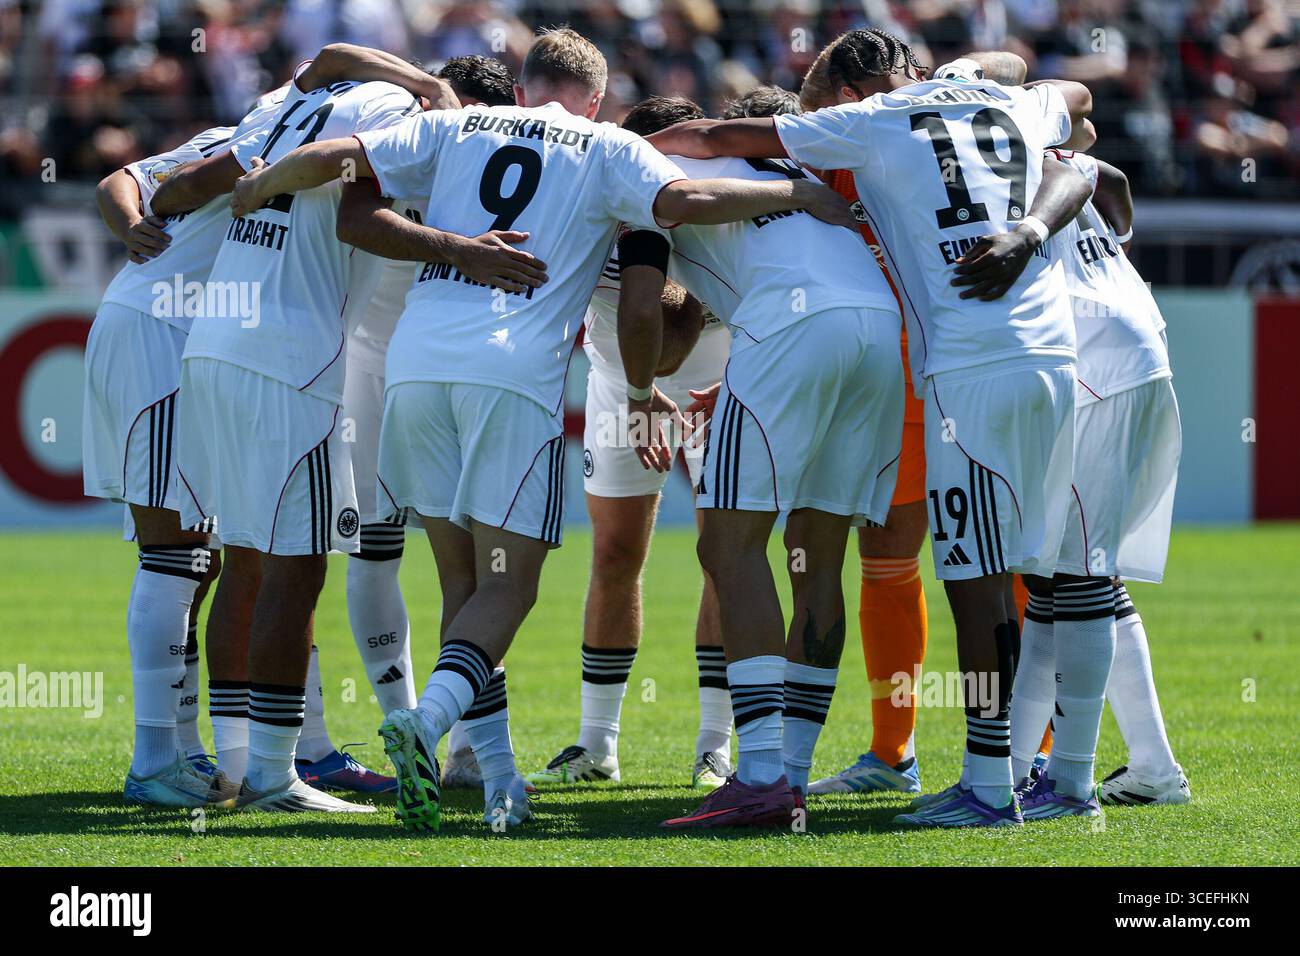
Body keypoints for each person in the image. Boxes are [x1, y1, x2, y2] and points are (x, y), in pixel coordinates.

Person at [228, 26, 856, 831]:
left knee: (462, 584)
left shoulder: (455, 125)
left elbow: (341, 174)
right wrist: (796, 193)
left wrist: (262, 181)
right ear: (596, 100)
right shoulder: (602, 145)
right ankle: (423, 724)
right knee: (510, 585)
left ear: (521, 88)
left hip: (415, 365)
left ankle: (497, 780)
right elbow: (684, 204)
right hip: (509, 377)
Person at [647, 27, 1096, 828]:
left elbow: (712, 139)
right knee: (1056, 576)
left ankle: (985, 783)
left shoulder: (874, 121)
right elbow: (1079, 121)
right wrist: (1023, 212)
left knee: (969, 579)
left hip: (961, 362)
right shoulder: (1006, 101)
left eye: (820, 111)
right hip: (1056, 352)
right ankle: (1060, 773)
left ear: (848, 96)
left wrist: (595, 148)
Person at [611, 87, 905, 829]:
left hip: (790, 326)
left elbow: (644, 308)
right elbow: (688, 313)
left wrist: (642, 392)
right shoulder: (768, 156)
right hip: (873, 325)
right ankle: (792, 773)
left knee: (727, 545)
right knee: (815, 553)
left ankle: (763, 774)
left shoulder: (647, 170)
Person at [527, 94, 733, 792]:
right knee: (614, 553)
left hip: (721, 376)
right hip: (620, 381)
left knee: (724, 556)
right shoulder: (593, 185)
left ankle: (714, 747)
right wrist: (640, 392)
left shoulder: (710, 193)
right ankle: (597, 745)